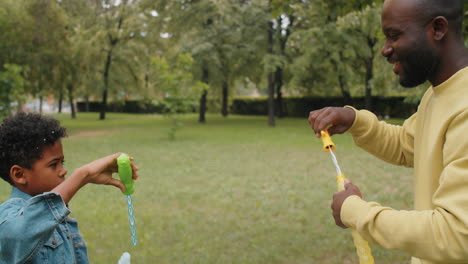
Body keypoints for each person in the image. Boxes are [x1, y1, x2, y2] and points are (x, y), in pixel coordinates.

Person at [308, 0, 468, 263]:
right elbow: (408, 145)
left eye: (395, 35)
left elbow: (457, 235)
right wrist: (355, 120)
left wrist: (355, 212)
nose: (385, 50)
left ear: (438, 28)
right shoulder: (438, 93)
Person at [0, 112, 139, 263]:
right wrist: (83, 175)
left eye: (62, 162)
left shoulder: (61, 219)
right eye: (54, 164)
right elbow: (18, 237)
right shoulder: (8, 218)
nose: (63, 171)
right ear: (19, 174)